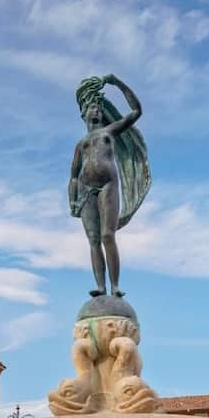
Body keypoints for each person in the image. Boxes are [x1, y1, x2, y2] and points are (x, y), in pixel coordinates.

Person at [68, 74, 149, 298]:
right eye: (92, 107)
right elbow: (73, 175)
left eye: (98, 107)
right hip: (86, 191)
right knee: (93, 239)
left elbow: (136, 111)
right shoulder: (80, 144)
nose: (96, 110)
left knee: (107, 235)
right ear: (84, 114)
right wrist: (72, 200)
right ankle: (101, 287)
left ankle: (114, 287)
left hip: (108, 185)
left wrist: (117, 83)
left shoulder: (109, 131)